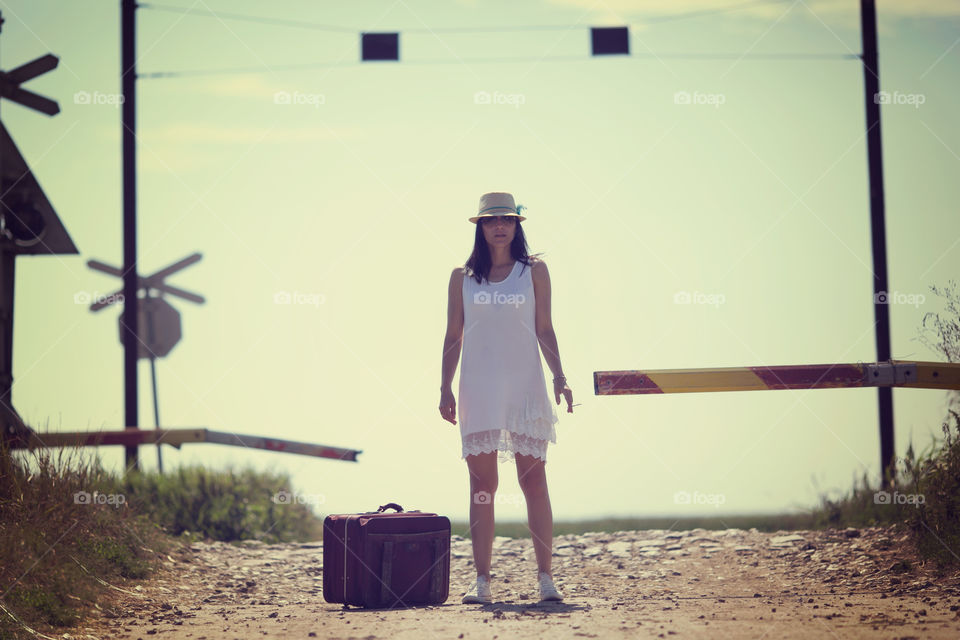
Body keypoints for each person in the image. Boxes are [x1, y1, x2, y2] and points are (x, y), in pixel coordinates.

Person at [439, 192, 574, 605]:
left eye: (508, 220)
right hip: (478, 387)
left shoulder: (534, 272)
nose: (500, 226)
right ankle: (481, 580)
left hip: (525, 387)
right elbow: (453, 335)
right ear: (480, 227)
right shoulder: (462, 277)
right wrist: (444, 386)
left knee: (533, 480)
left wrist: (559, 376)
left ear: (517, 226)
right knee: (483, 486)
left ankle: (546, 578)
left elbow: (545, 329)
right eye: (491, 220)